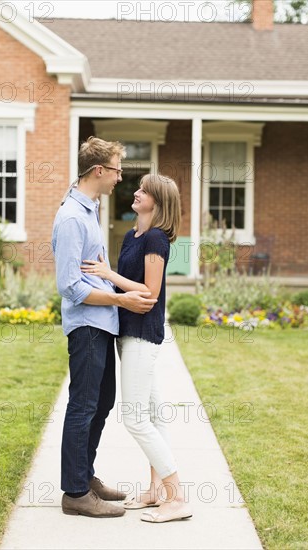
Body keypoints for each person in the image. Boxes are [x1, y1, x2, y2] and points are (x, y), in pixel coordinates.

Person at [52, 136, 157, 518]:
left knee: (103, 402)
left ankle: (84, 475)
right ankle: (75, 492)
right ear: (99, 171)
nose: (119, 178)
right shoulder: (71, 218)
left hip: (102, 324)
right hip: (87, 326)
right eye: (116, 170)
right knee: (83, 405)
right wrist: (121, 299)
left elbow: (93, 274)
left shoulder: (90, 210)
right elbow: (70, 286)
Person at [81, 173, 193, 523]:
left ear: (156, 202)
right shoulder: (133, 235)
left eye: (144, 190)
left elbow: (149, 292)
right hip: (127, 331)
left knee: (135, 418)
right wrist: (110, 277)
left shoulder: (156, 239)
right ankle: (155, 491)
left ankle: (177, 497)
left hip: (143, 334)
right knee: (155, 414)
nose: (136, 191)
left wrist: (109, 275)